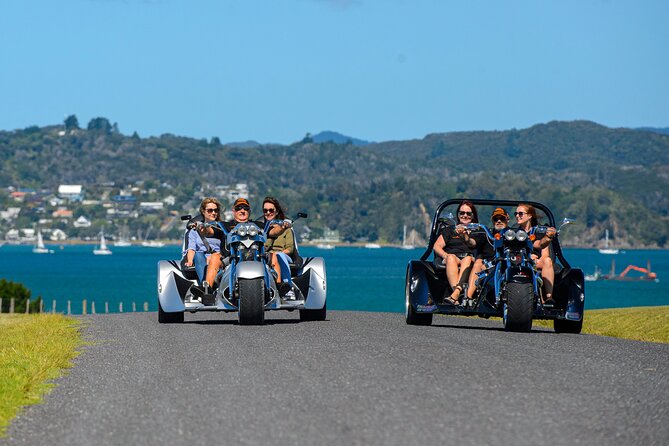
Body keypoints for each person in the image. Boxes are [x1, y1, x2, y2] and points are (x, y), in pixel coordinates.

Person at [433, 200, 478, 305]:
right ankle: (456, 294)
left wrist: (465, 236)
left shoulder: (478, 230)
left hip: (470, 259)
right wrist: (446, 255)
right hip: (453, 258)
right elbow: (437, 246)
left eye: (468, 213)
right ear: (458, 214)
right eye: (462, 213)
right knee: (451, 257)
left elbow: (474, 244)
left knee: (467, 259)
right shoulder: (450, 230)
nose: (465, 215)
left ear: (473, 215)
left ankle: (455, 295)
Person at [515, 203, 557, 307]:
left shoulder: (538, 231)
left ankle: (549, 297)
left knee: (547, 260)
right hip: (519, 262)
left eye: (520, 213)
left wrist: (548, 237)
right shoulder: (514, 232)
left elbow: (542, 247)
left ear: (530, 216)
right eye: (515, 213)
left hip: (536, 262)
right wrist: (527, 257)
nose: (517, 216)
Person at [464, 207, 509, 305]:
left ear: (507, 219)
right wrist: (466, 238)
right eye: (496, 219)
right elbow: (473, 243)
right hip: (489, 266)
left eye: (502, 218)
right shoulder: (486, 234)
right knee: (478, 263)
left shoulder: (514, 235)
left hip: (508, 264)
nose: (499, 221)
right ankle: (468, 298)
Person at [182, 198, 223, 284]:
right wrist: (189, 261)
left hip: (218, 258)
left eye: (215, 210)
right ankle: (205, 285)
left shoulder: (222, 229)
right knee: (198, 254)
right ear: (203, 212)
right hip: (201, 258)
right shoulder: (194, 230)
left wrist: (212, 258)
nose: (213, 213)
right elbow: (191, 248)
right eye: (210, 210)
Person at [261, 197, 295, 286]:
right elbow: (263, 247)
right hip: (267, 256)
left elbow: (290, 249)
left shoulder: (286, 229)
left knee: (278, 255)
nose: (268, 213)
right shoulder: (261, 229)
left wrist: (277, 254)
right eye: (265, 211)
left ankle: (287, 285)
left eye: (271, 210)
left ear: (276, 212)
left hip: (283, 256)